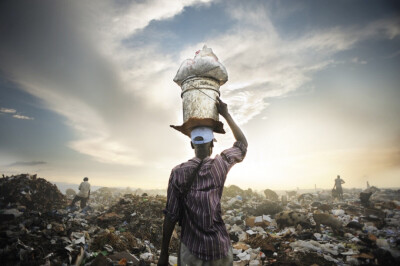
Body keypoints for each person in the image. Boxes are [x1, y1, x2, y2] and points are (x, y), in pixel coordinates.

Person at [158, 97, 248, 266]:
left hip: (191, 251)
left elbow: (171, 216)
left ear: (193, 145)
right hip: (219, 249)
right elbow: (242, 144)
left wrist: (163, 255)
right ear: (211, 145)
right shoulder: (220, 164)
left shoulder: (178, 172)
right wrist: (226, 114)